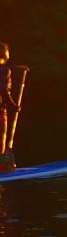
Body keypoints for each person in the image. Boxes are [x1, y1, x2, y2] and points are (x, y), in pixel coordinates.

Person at [0, 43, 23, 172]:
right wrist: (13, 105)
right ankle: (2, 166)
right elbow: (3, 89)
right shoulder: (4, 70)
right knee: (1, 136)